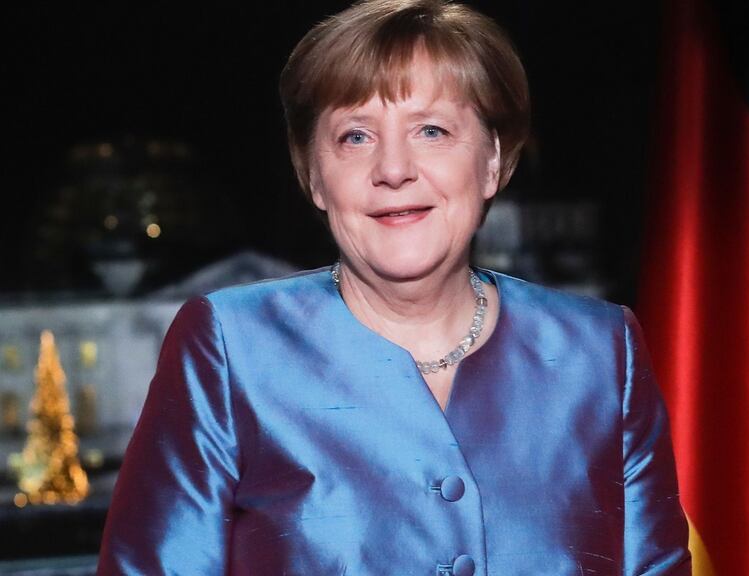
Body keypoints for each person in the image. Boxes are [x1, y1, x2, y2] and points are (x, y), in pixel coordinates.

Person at [97, 1, 691, 574]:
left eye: (431, 130)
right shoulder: (231, 349)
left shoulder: (601, 350)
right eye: (356, 136)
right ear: (314, 176)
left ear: (492, 162)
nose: (393, 168)